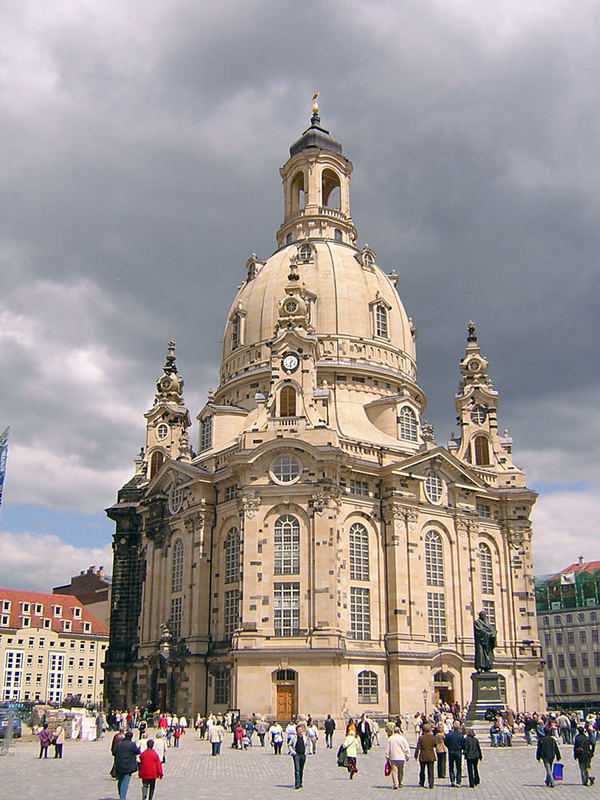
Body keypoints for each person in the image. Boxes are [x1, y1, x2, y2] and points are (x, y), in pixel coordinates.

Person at [113, 729, 141, 800]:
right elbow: (138, 751)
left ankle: (120, 793)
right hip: (129, 766)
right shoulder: (132, 744)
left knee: (120, 780)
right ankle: (122, 797)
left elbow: (114, 752)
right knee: (125, 782)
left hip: (119, 765)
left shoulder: (119, 744)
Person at [385, 725, 411, 790]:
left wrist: (387, 757)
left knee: (394, 771)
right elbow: (406, 748)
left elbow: (387, 749)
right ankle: (400, 782)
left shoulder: (390, 739)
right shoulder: (403, 739)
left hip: (393, 757)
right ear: (399, 731)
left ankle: (395, 784)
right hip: (401, 757)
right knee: (401, 770)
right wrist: (407, 756)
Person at [415, 723, 437, 788]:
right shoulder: (432, 737)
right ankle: (431, 784)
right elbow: (435, 745)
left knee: (422, 770)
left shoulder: (421, 738)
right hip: (431, 756)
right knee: (431, 771)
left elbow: (418, 747)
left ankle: (422, 782)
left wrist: (416, 755)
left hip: (423, 756)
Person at [445, 720, 465, 787]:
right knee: (458, 767)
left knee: (451, 767)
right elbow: (463, 743)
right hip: (458, 752)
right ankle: (458, 782)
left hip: (451, 752)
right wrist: (461, 748)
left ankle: (452, 780)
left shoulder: (449, 735)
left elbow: (446, 742)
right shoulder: (460, 735)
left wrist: (449, 747)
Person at [289, 723, 309, 789]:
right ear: (296, 731)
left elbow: (307, 745)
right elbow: (289, 745)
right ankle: (297, 783)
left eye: (301, 730)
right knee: (297, 769)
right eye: (299, 730)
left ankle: (300, 782)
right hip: (296, 755)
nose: (300, 731)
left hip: (303, 755)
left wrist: (306, 752)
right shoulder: (293, 737)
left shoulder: (304, 737)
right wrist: (293, 752)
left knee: (301, 769)